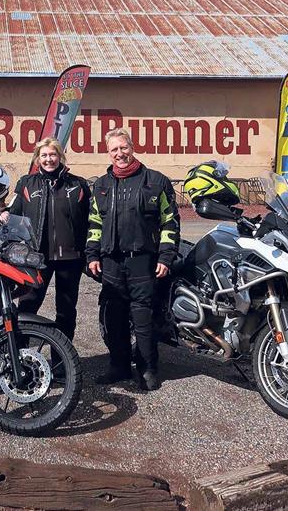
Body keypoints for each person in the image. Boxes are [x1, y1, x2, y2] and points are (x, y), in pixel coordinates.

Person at [86, 128, 180, 390]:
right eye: (114, 149)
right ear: (108, 153)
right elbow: (94, 222)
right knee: (114, 318)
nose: (120, 154)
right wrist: (93, 254)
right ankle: (119, 366)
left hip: (143, 261)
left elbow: (170, 222)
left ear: (132, 147)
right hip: (112, 262)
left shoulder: (156, 181)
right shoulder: (102, 185)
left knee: (143, 318)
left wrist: (166, 256)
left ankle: (148, 369)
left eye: (123, 148)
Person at [0, 138, 91, 341]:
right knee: (28, 306)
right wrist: (3, 215)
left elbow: (91, 220)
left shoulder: (78, 184)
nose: (49, 159)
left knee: (66, 310)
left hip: (71, 258)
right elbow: (13, 213)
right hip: (36, 258)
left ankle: (62, 362)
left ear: (60, 156)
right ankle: (20, 356)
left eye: (52, 154)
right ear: (37, 159)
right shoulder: (26, 183)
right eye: (44, 155)